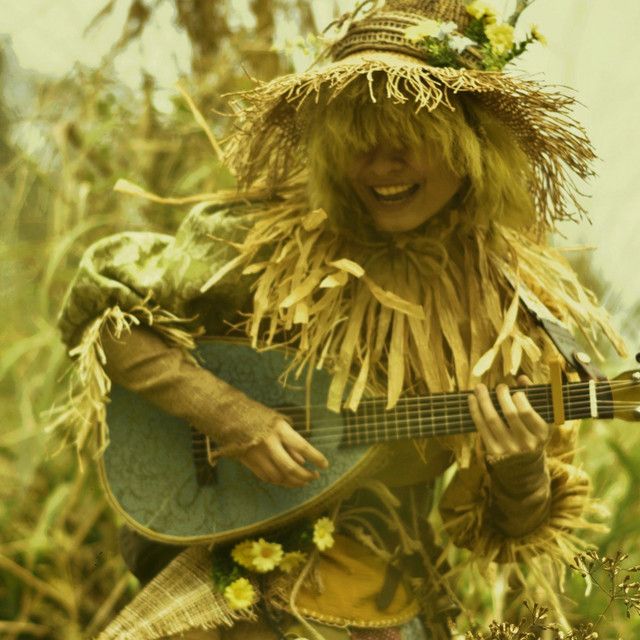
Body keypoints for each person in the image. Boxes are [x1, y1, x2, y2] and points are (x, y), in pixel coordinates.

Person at [54, 1, 626, 638]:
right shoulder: (262, 245)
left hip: (376, 598)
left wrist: (518, 468)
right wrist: (227, 414)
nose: (381, 163)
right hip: (226, 563)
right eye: (359, 138)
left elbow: (505, 531)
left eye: (414, 137)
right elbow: (106, 317)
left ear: (474, 148)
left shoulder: (509, 313)